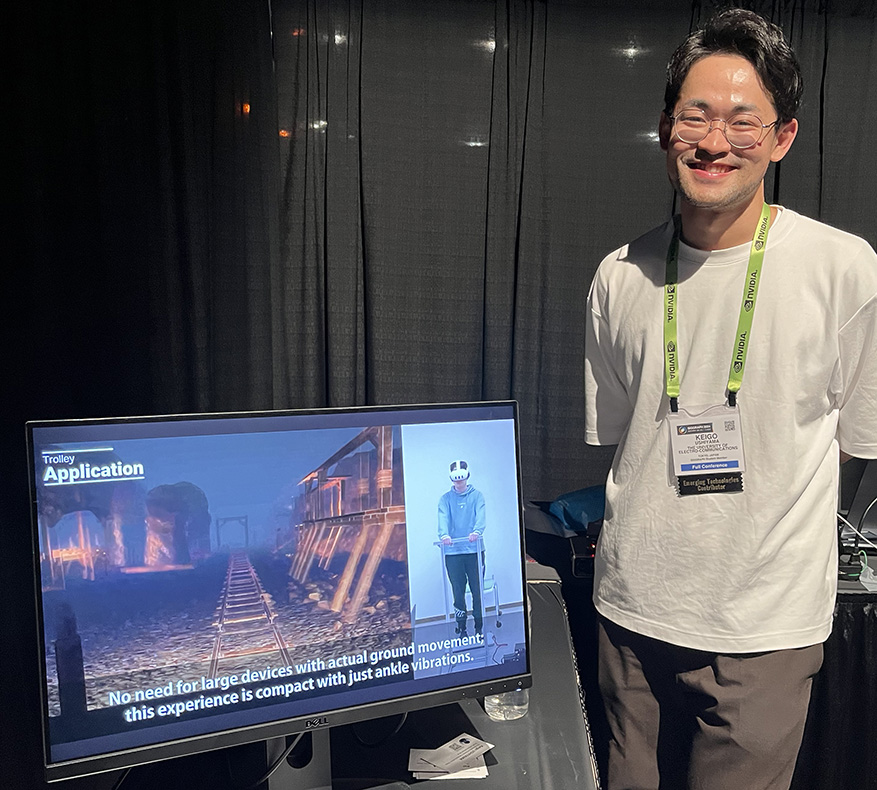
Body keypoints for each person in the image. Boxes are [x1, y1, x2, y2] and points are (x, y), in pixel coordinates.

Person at [584, 9, 877, 790]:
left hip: (764, 629)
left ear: (781, 138)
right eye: (695, 115)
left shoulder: (844, 269)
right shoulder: (619, 274)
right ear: (664, 128)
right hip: (630, 616)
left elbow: (859, 442)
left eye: (743, 121)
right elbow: (624, 440)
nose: (714, 141)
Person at [438, 460, 486, 638]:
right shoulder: (445, 499)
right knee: (458, 592)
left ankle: (479, 626)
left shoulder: (477, 496)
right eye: (456, 479)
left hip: (474, 551)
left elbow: (480, 515)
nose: (459, 482)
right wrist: (444, 535)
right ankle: (461, 627)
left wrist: (477, 531)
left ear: (467, 476)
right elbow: (443, 517)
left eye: (462, 478)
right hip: (453, 553)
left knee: (477, 590)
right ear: (452, 479)